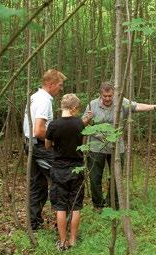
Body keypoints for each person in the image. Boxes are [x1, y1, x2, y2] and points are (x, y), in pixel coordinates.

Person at [84, 81, 156, 212]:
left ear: (114, 94)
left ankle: (112, 203)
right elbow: (85, 124)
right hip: (96, 147)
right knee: (95, 177)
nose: (108, 99)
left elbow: (137, 106)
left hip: (116, 148)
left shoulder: (121, 102)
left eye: (110, 96)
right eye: (105, 96)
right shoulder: (92, 105)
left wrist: (155, 106)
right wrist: (93, 127)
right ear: (100, 95)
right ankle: (98, 205)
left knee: (115, 177)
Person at [45, 93, 92, 250]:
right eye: (77, 108)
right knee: (76, 205)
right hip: (77, 169)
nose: (78, 112)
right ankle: (73, 240)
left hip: (59, 169)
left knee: (60, 206)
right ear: (73, 108)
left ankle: (63, 241)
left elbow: (47, 145)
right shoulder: (80, 124)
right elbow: (81, 134)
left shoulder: (53, 125)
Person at [23, 69, 66, 230]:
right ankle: (61, 221)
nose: (61, 89)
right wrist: (55, 142)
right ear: (50, 84)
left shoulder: (35, 97)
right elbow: (39, 130)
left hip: (31, 145)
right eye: (60, 85)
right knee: (59, 179)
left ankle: (34, 223)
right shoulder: (43, 101)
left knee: (38, 185)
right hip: (40, 147)